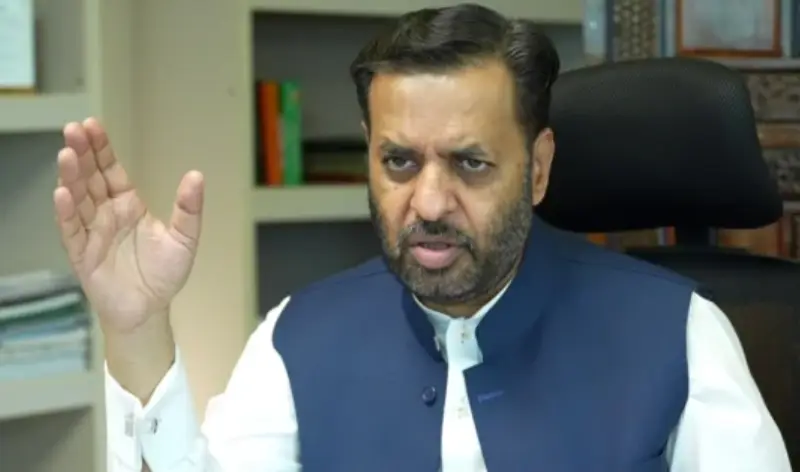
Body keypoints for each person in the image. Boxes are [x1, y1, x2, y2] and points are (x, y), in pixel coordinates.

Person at [53, 4, 791, 472]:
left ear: (537, 169)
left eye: (470, 163)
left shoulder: (681, 334)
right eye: (399, 162)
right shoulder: (297, 337)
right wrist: (138, 330)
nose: (429, 203)